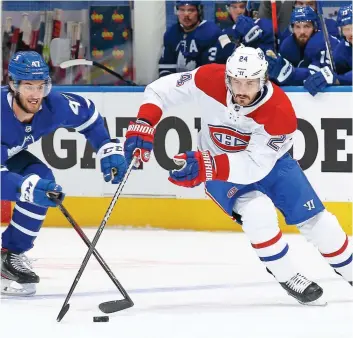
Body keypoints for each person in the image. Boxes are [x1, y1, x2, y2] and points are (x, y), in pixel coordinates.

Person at [124, 45, 352, 305]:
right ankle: (286, 275)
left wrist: (207, 166)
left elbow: (255, 165)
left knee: (322, 224)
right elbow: (159, 89)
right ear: (227, 78)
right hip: (220, 166)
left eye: (250, 83)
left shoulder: (280, 111)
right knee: (258, 213)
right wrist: (144, 122)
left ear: (264, 79)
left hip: (270, 163)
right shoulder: (209, 78)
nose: (242, 90)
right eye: (236, 82)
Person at [1, 51, 127, 296]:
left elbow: (89, 116)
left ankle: (10, 256)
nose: (36, 94)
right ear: (12, 84)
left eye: (41, 86)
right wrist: (26, 188)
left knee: (40, 179)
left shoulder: (53, 105)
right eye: (28, 86)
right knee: (31, 186)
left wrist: (106, 148)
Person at [266, 6, 339, 87]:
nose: (302, 32)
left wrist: (288, 71)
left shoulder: (322, 42)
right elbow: (281, 74)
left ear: (314, 27)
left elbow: (317, 77)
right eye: (297, 27)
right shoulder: (287, 45)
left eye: (306, 26)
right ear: (292, 28)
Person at [158, 1, 221, 77]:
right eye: (182, 10)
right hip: (177, 84)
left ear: (199, 11)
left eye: (191, 10)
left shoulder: (211, 32)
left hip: (201, 83)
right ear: (176, 11)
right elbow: (166, 67)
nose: (186, 14)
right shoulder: (171, 33)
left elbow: (210, 71)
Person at [304, 4, 352, 96]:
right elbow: (322, 70)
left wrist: (338, 79)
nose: (351, 33)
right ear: (341, 31)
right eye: (346, 29)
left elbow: (339, 78)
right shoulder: (340, 51)